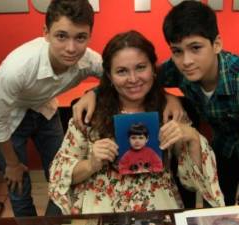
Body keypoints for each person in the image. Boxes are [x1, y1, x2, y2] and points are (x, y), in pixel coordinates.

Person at [74, 1, 239, 206]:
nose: (186, 61)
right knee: (220, 202)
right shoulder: (178, 70)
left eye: (196, 48)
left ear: (217, 44)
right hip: (223, 143)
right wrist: (93, 92)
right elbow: (140, 79)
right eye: (177, 51)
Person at [48, 30, 224, 215]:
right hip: (100, 200)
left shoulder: (170, 112)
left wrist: (192, 137)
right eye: (122, 71)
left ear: (153, 69)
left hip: (157, 200)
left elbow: (191, 180)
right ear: (109, 76)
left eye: (141, 67)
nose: (133, 79)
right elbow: (59, 174)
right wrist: (91, 164)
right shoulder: (89, 113)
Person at [0, 0, 102, 217]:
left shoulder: (88, 60)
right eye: (61, 36)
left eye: (80, 37)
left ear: (89, 36)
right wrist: (12, 164)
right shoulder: (17, 69)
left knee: (63, 177)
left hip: (44, 109)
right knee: (18, 186)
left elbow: (116, 77)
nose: (71, 48)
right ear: (46, 33)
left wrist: (93, 93)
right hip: (10, 117)